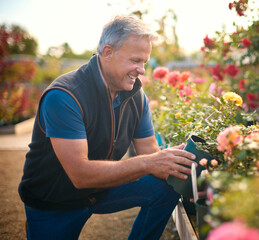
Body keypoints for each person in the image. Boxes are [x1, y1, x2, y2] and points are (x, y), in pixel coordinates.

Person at [18, 15, 197, 240]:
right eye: (135, 60)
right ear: (108, 53)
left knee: (168, 186)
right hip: (54, 201)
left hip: (101, 190)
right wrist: (149, 163)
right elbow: (80, 176)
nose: (142, 70)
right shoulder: (64, 95)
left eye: (144, 61)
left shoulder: (136, 96)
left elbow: (150, 154)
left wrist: (176, 163)